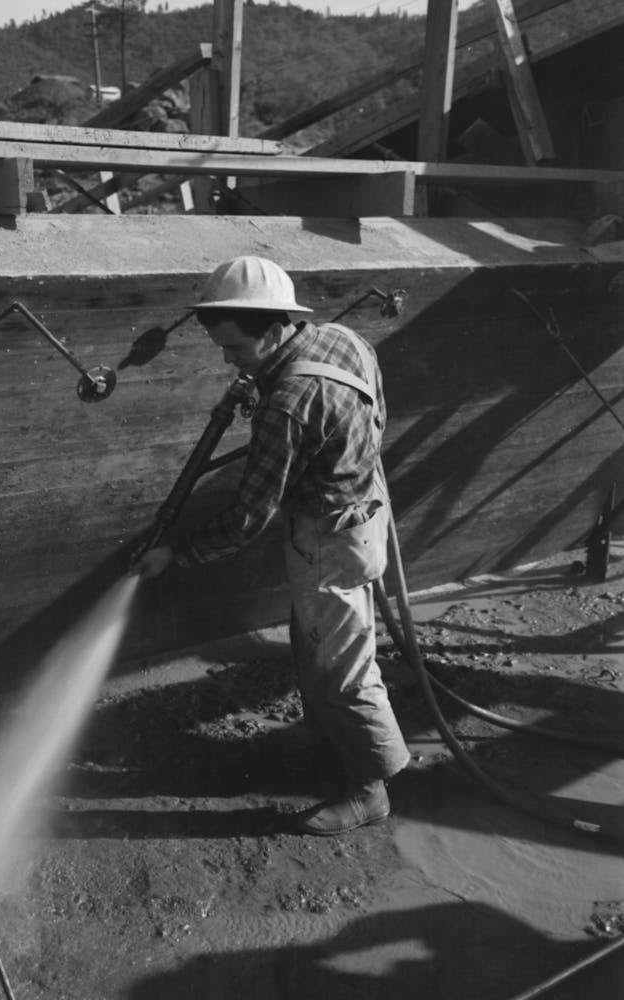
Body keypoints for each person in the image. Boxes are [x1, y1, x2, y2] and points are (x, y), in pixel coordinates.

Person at [136, 256, 410, 835]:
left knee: (343, 670)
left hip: (329, 539)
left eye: (235, 349)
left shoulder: (287, 402)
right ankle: (331, 750)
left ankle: (370, 790)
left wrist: (176, 554)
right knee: (317, 648)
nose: (228, 360)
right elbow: (377, 412)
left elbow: (247, 517)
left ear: (273, 325)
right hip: (366, 509)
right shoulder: (342, 338)